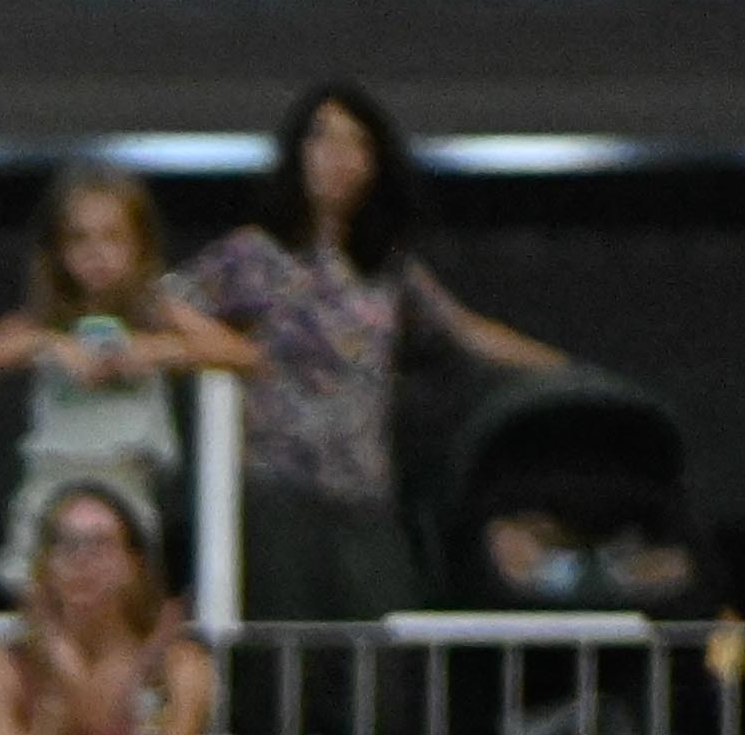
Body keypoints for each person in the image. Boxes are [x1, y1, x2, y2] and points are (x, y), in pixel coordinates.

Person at [172, 80, 576, 630]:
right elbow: (164, 299)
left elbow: (460, 329)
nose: (337, 158)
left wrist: (562, 369)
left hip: (364, 493)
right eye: (322, 139)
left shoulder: (387, 270)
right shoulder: (256, 254)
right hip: (279, 489)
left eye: (355, 143)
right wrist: (231, 349)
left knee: (381, 648)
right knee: (288, 645)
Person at [0, 161, 251, 577]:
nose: (97, 254)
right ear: (57, 250)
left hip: (126, 482)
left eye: (113, 238)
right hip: (51, 481)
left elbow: (243, 353)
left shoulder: (155, 309)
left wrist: (158, 349)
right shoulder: (46, 317)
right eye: (80, 239)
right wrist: (49, 345)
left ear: (140, 246)